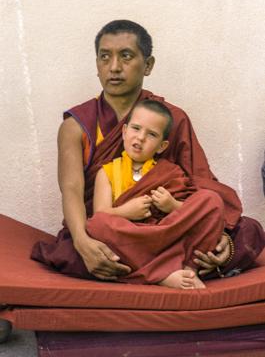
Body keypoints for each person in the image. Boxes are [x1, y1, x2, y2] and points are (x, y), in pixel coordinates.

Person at [31, 19, 265, 282]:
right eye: (105, 57)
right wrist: (83, 243)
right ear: (96, 64)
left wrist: (219, 232)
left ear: (148, 65)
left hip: (167, 227)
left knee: (250, 231)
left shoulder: (172, 119)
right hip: (118, 231)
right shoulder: (77, 126)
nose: (115, 67)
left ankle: (155, 268)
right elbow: (72, 189)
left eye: (126, 56)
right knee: (74, 248)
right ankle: (175, 270)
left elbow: (200, 183)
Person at [88, 99, 225, 289]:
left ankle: (188, 268)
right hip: (132, 240)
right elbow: (100, 214)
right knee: (98, 225)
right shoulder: (107, 172)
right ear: (124, 131)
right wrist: (126, 212)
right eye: (136, 128)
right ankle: (164, 274)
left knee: (212, 200)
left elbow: (192, 215)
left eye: (151, 134)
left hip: (166, 238)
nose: (141, 138)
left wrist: (173, 206)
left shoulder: (170, 171)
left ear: (162, 146)